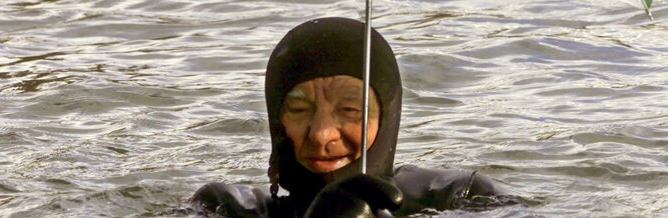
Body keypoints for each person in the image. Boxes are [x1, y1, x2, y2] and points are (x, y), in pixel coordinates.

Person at [188, 17, 512, 217]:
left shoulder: (459, 197)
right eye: (299, 110)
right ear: (276, 120)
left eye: (351, 110)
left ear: (388, 117)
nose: (321, 133)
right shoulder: (222, 207)